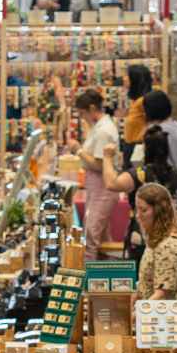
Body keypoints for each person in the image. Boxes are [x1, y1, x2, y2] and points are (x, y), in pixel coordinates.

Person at [73, 89, 122, 247]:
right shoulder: (99, 127)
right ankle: (103, 271)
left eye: (82, 113)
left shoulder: (103, 131)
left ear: (92, 109)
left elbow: (100, 164)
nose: (82, 118)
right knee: (101, 237)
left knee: (91, 235)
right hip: (97, 187)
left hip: (103, 187)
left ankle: (90, 271)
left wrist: (78, 150)